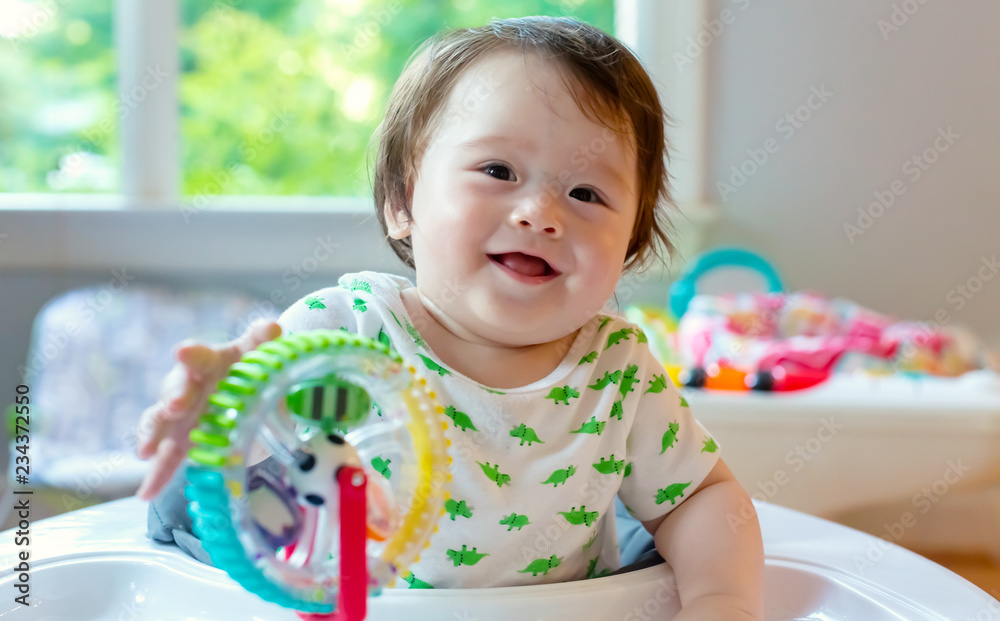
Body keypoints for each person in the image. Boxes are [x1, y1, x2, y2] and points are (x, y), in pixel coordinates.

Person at [135, 16, 763, 620]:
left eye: (586, 193)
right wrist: (205, 407)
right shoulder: (346, 329)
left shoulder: (618, 368)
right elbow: (237, 438)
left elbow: (700, 498)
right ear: (403, 202)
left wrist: (721, 601)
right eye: (498, 171)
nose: (541, 213)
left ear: (628, 247)